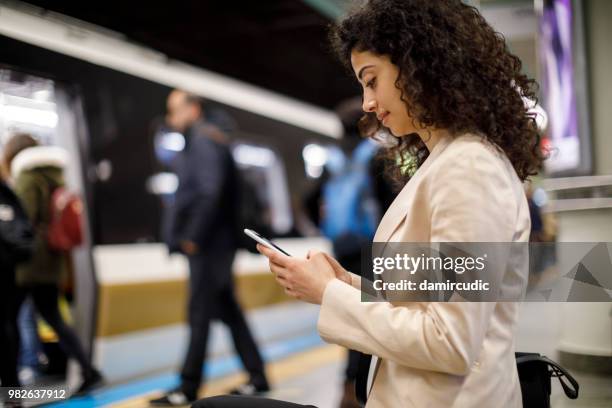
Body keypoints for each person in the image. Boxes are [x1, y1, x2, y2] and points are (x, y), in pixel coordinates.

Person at [193, 0, 543, 407]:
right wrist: (347, 285)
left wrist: (330, 296)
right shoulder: (451, 162)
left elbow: (450, 341)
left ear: (419, 67)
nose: (367, 103)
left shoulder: (468, 170)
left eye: (372, 80)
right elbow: (428, 302)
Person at [150, 90, 269, 406]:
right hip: (216, 242)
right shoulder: (207, 139)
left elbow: (208, 191)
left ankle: (187, 388)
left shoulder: (202, 141)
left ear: (194, 109)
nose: (170, 118)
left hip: (209, 244)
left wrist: (192, 236)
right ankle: (258, 376)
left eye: (174, 110)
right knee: (227, 310)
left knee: (199, 312)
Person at [2, 133, 103, 395]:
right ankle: (88, 369)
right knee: (53, 317)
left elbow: (23, 220)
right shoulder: (54, 174)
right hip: (52, 261)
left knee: (10, 320)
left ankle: (13, 384)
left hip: (30, 263)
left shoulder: (27, 177)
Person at [0, 158, 33, 390]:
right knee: (9, 324)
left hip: (4, 268)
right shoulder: (9, 192)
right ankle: (12, 387)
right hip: (11, 269)